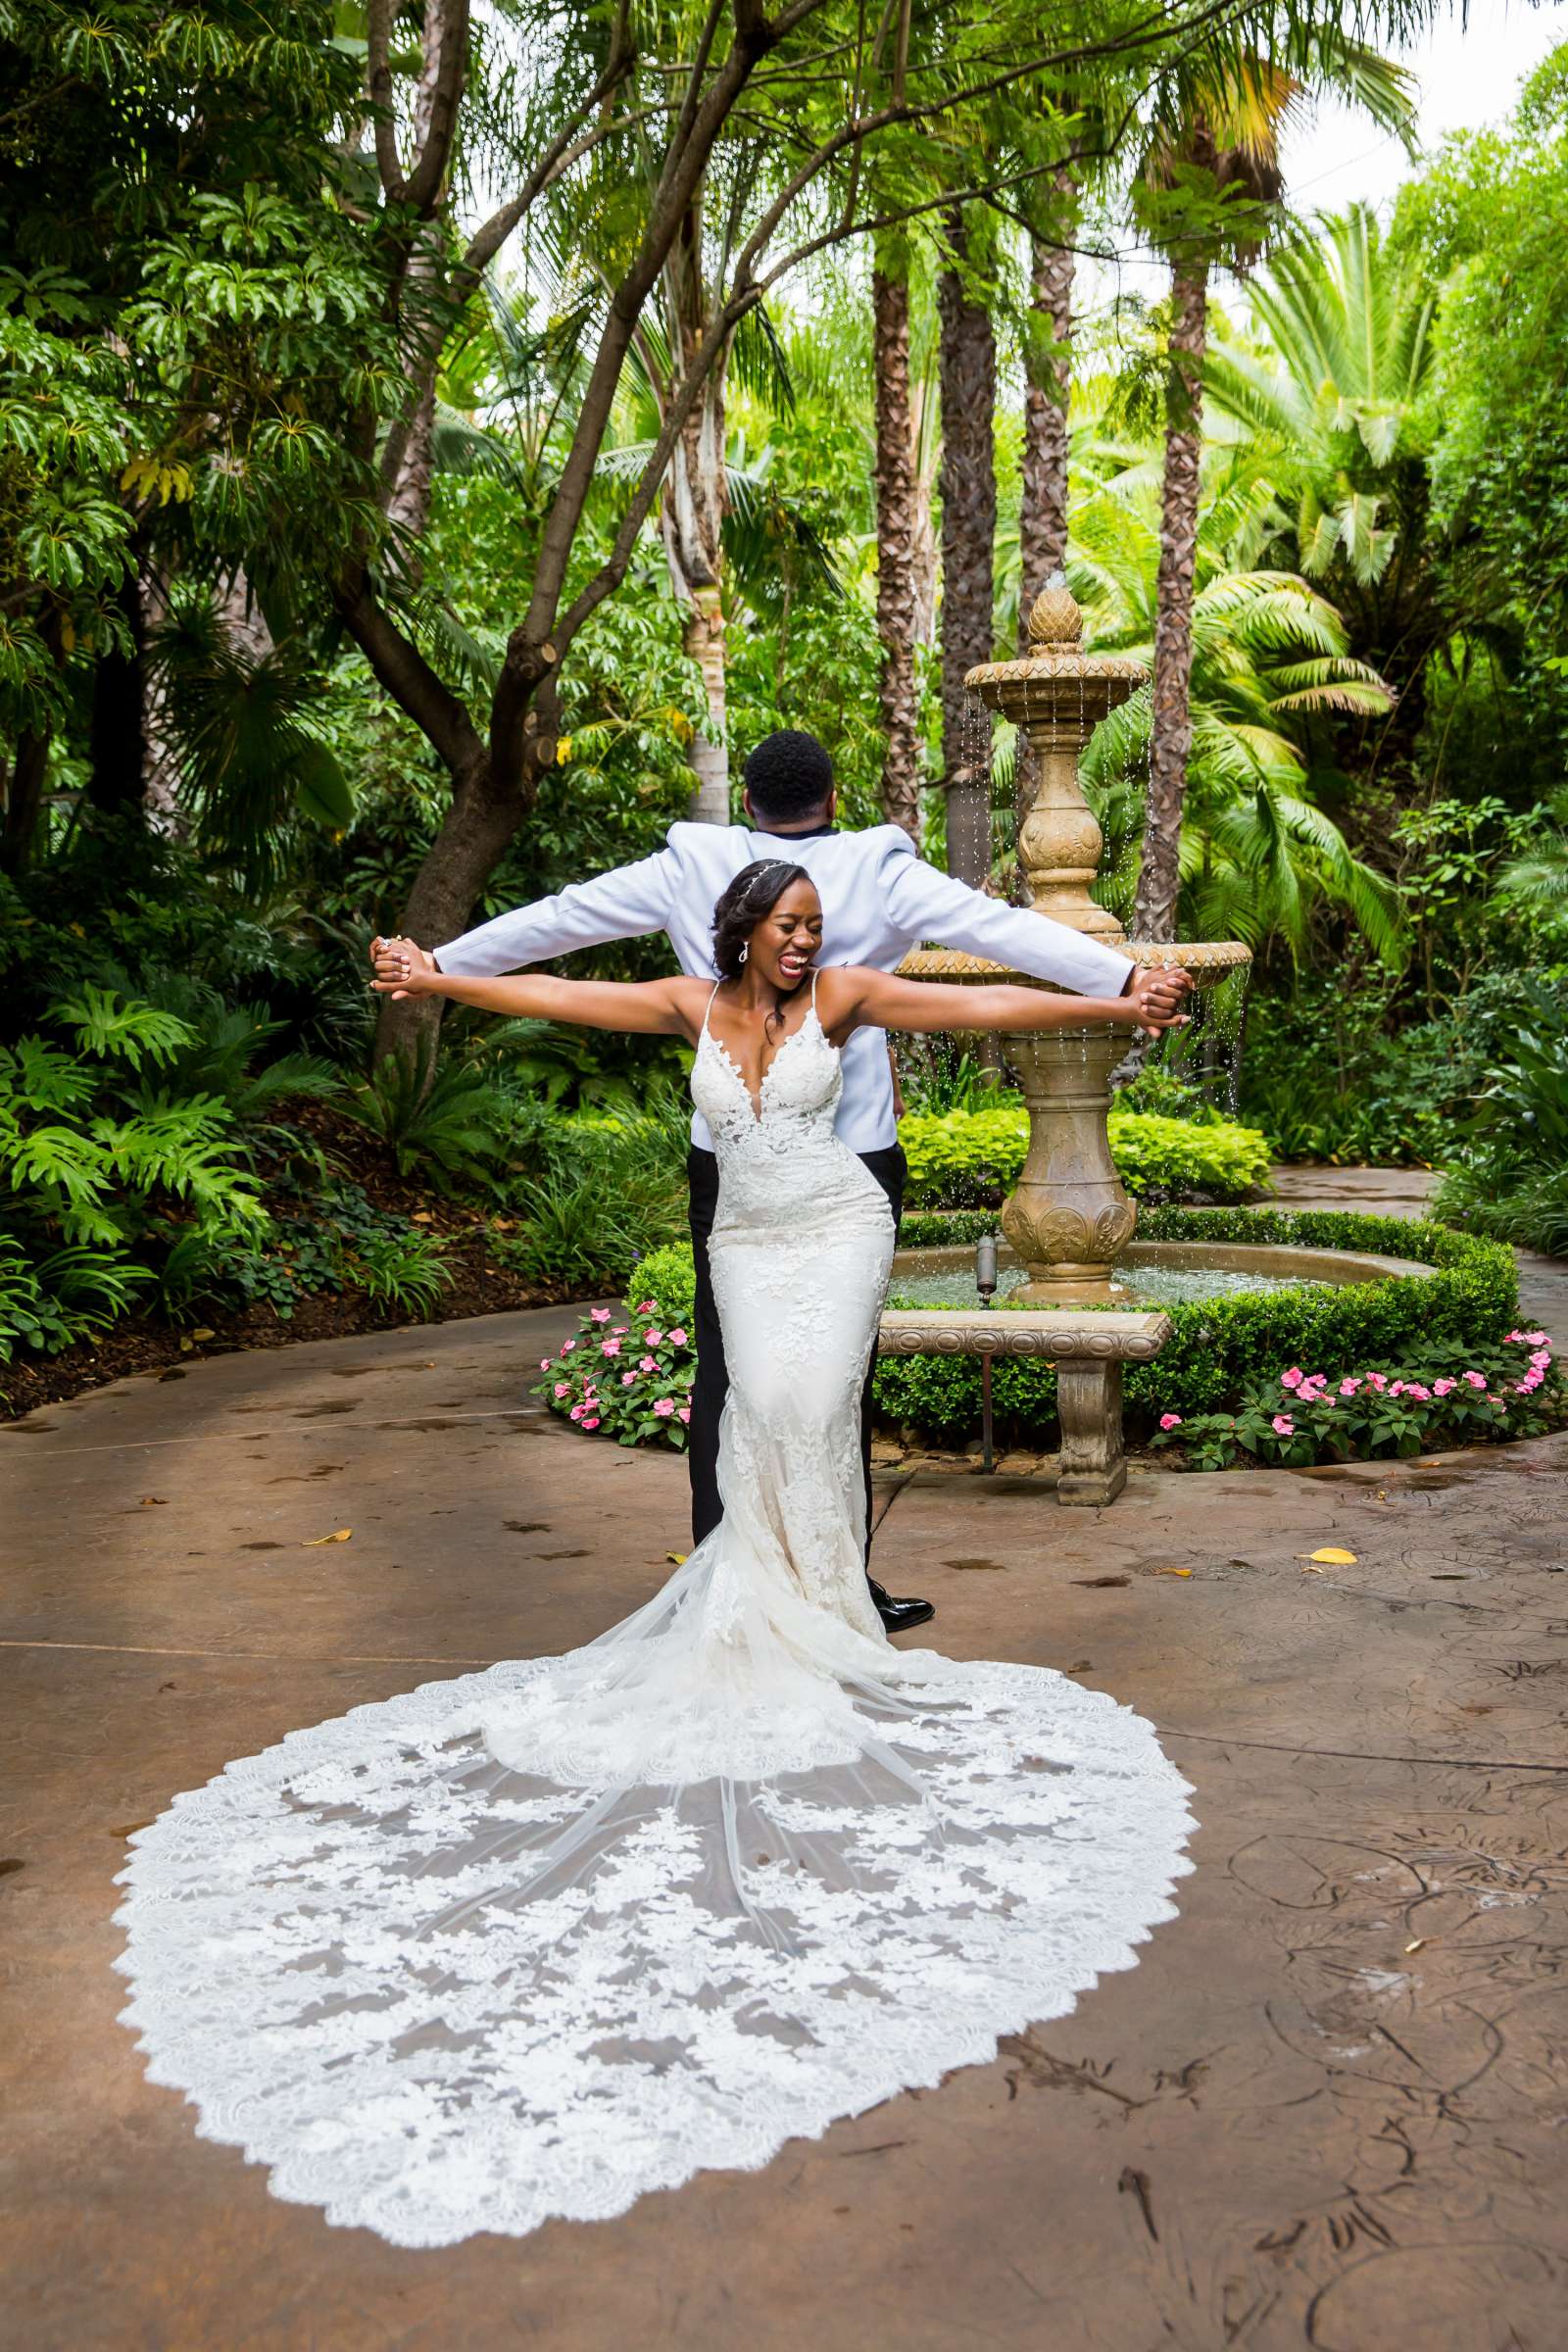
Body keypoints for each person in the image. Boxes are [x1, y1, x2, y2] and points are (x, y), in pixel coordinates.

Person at [114, 862, 1196, 2250]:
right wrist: (440, 976)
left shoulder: (852, 997)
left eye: (817, 929)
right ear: (744, 930)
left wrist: (1115, 987)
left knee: (815, 1409)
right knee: (756, 1413)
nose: (811, 945)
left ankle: (833, 1620)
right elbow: (565, 988)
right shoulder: (691, 1000)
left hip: (837, 1225)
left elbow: (978, 1004)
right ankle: (791, 1611)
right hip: (746, 1241)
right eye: (790, 927)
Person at [370, 728, 1188, 1633]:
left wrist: (446, 963)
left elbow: (563, 918)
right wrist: (1122, 973)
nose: (802, 939)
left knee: (748, 1376)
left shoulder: (697, 864)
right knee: (825, 1379)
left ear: (747, 805)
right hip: (812, 1162)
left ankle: (826, 1581)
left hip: (797, 1177)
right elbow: (1000, 935)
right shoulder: (878, 869)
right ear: (832, 800)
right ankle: (741, 1582)